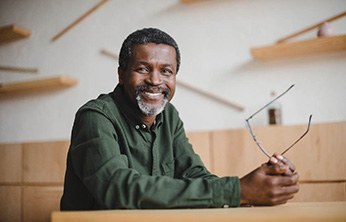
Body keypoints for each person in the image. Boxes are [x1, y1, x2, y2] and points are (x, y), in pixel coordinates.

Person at [60, 28, 299, 210]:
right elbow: (118, 188)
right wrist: (238, 191)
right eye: (143, 69)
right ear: (121, 74)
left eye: (166, 71)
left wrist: (258, 185)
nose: (155, 80)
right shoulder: (95, 116)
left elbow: (195, 175)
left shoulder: (169, 115)